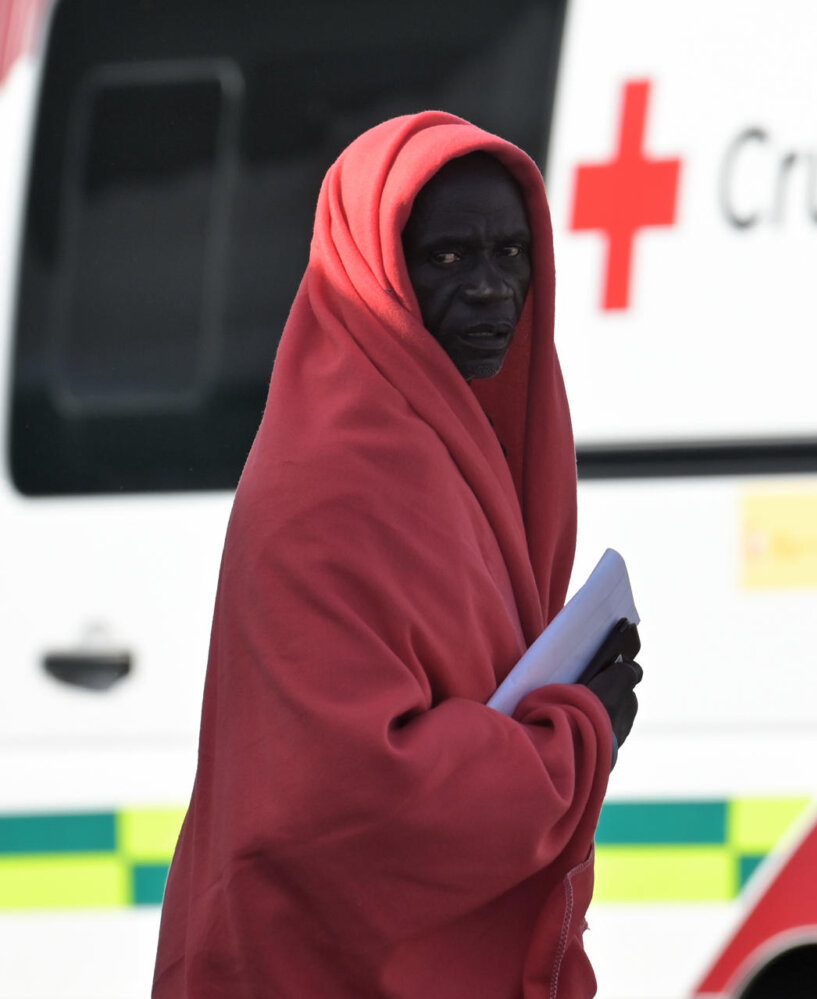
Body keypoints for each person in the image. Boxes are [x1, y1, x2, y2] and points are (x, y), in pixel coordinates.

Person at [153, 112, 642, 998]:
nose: (492, 288)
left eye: (510, 254)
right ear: (376, 272)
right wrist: (574, 740)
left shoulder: (464, 466)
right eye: (448, 258)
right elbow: (356, 796)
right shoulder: (324, 489)